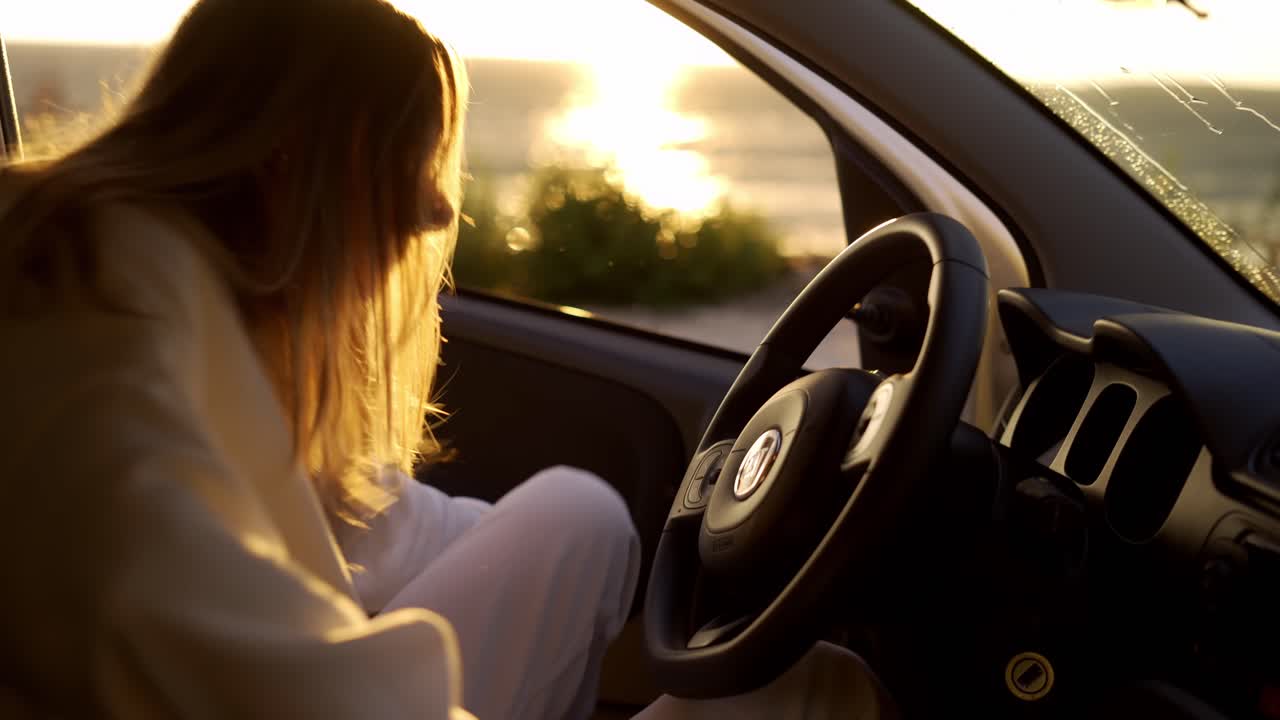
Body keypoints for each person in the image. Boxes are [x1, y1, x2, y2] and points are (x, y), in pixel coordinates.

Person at [0, 1, 896, 718]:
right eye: (406, 163)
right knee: (821, 691)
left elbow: (332, 524)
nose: (435, 214)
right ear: (290, 158)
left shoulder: (149, 279)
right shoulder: (95, 286)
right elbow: (151, 605)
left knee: (581, 514)